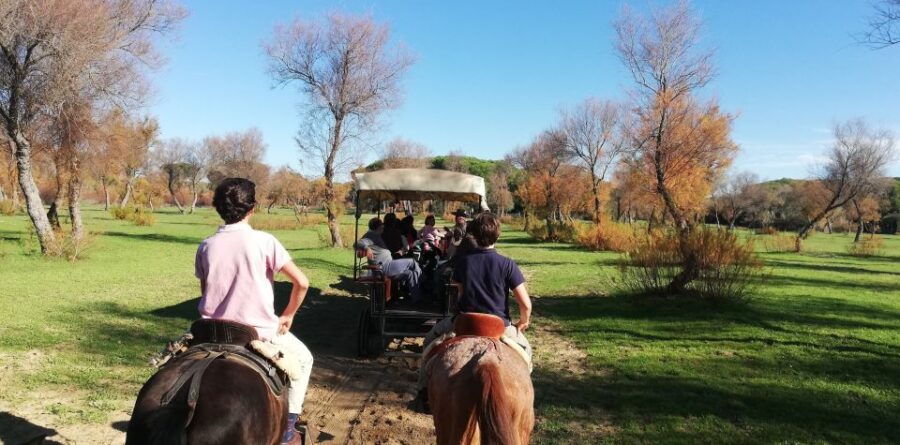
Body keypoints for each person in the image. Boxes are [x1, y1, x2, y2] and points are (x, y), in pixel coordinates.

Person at [194, 178, 313, 445]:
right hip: (256, 333)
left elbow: (206, 292)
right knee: (304, 360)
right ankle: (287, 431)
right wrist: (288, 314)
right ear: (252, 208)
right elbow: (302, 282)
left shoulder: (206, 245)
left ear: (218, 208)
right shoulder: (265, 242)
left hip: (209, 332)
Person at [415, 212, 532, 409]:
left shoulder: (463, 262)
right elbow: (525, 304)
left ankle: (422, 393)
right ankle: (524, 397)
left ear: (474, 236)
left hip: (465, 322)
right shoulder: (507, 264)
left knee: (429, 342)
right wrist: (523, 321)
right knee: (527, 352)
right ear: (498, 235)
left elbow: (459, 292)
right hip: (499, 326)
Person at [357, 217, 423, 302]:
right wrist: (366, 248)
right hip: (384, 267)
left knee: (411, 273)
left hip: (388, 266)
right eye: (382, 225)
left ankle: (416, 299)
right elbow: (358, 243)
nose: (383, 226)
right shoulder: (371, 235)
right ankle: (422, 277)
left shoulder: (376, 235)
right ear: (378, 227)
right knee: (412, 262)